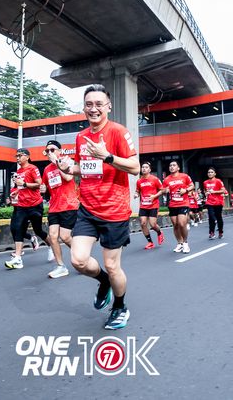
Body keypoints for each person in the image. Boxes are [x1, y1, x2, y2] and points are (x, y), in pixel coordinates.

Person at [57, 84, 139, 330]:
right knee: (79, 261)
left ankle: (120, 307)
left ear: (108, 107)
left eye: (99, 104)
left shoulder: (118, 132)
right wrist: (68, 167)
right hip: (88, 208)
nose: (94, 109)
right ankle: (103, 282)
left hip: (114, 210)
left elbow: (135, 167)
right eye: (89, 104)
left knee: (113, 266)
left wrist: (107, 156)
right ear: (84, 108)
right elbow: (84, 169)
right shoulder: (81, 136)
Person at [4, 148, 49, 269]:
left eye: (20, 155)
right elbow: (21, 187)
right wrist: (16, 192)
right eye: (16, 156)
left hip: (35, 205)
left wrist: (24, 184)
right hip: (22, 206)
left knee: (38, 230)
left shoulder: (33, 168)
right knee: (18, 229)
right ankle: (18, 258)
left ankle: (51, 247)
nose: (18, 158)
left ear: (27, 157)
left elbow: (39, 184)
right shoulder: (18, 171)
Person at [42, 140, 78, 278]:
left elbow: (68, 177)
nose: (49, 153)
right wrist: (43, 189)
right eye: (47, 151)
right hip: (54, 207)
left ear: (59, 151)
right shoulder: (46, 169)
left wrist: (56, 163)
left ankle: (81, 255)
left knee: (65, 236)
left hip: (68, 204)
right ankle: (61, 266)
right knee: (53, 236)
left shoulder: (67, 161)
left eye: (52, 150)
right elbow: (46, 187)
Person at [161, 161, 194, 254]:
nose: (171, 167)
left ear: (178, 168)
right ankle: (180, 243)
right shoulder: (166, 179)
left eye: (174, 165)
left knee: (182, 224)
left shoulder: (185, 176)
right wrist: (165, 190)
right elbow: (163, 190)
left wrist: (185, 190)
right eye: (170, 165)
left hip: (183, 203)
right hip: (172, 204)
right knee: (175, 224)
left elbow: (192, 186)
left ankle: (185, 243)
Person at [135, 161, 164, 249]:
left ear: (150, 170)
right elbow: (138, 191)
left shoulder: (155, 179)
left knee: (153, 224)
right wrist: (136, 194)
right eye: (143, 167)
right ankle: (150, 242)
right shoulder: (139, 181)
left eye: (146, 167)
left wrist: (154, 196)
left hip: (153, 205)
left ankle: (159, 233)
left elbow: (162, 190)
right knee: (143, 223)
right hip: (143, 205)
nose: (144, 169)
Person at [203, 167, 226, 239]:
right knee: (211, 217)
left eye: (211, 172)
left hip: (218, 202)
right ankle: (211, 233)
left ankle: (220, 232)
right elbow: (205, 190)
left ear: (215, 174)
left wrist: (214, 192)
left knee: (219, 217)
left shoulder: (218, 181)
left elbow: (223, 190)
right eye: (209, 172)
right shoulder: (205, 182)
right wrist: (206, 193)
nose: (210, 173)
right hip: (209, 202)